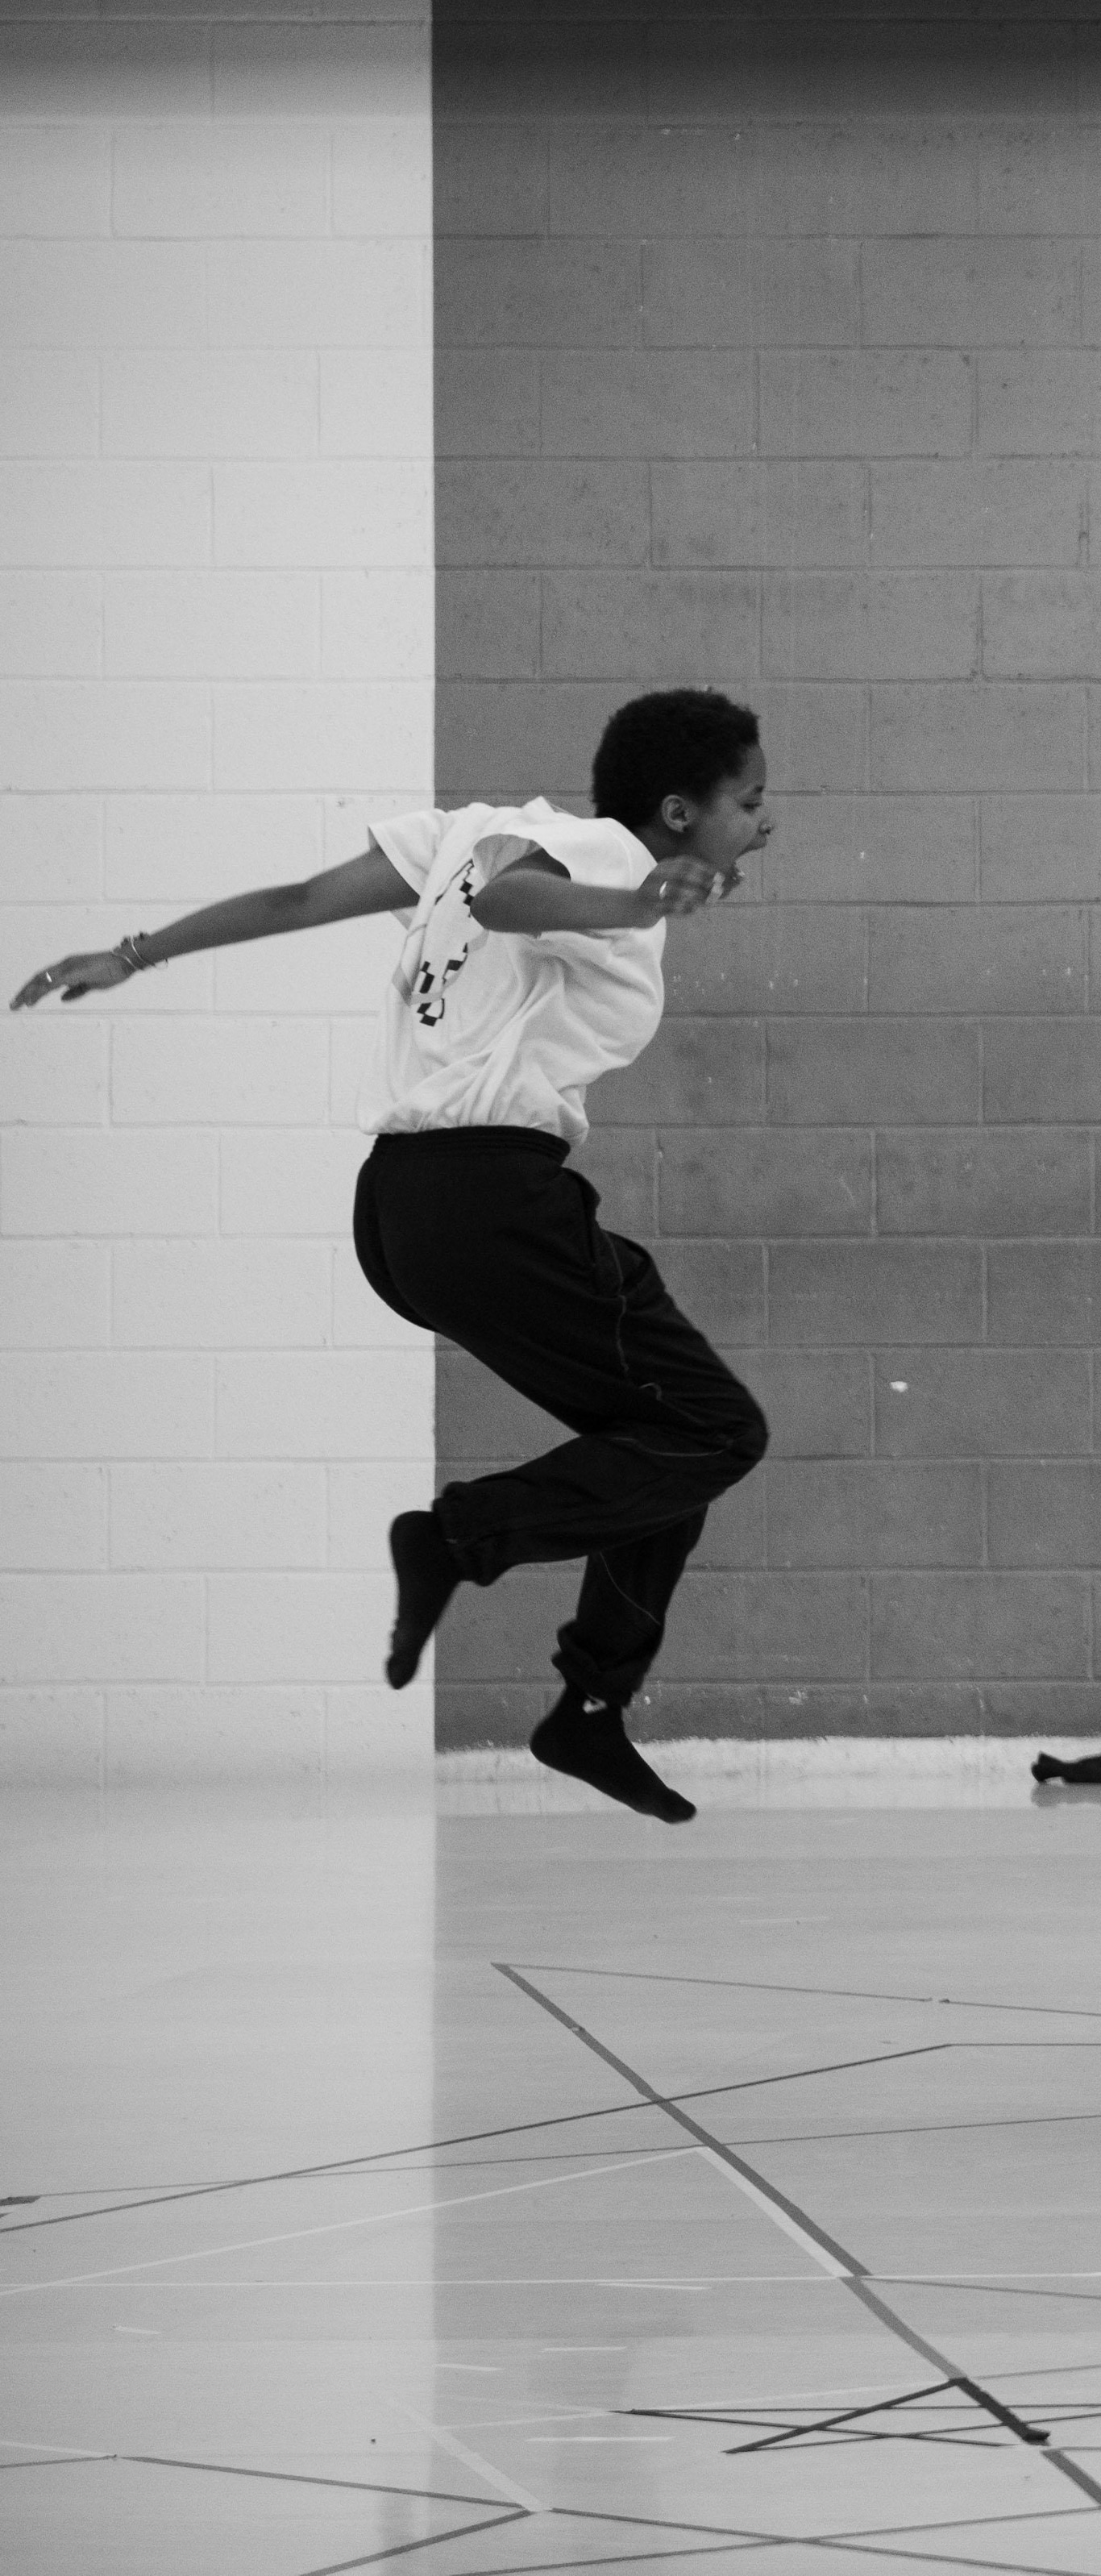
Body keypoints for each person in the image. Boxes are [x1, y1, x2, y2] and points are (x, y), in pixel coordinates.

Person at [12, 690, 779, 1823]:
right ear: (676, 811)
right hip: (488, 1198)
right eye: (750, 802)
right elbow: (513, 893)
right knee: (718, 1429)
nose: (766, 822)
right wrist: (632, 897)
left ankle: (590, 1710)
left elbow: (299, 899)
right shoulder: (597, 855)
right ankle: (457, 1539)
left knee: (670, 1431)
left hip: (400, 1213)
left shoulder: (459, 827)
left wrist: (135, 953)